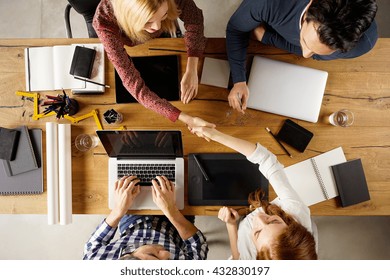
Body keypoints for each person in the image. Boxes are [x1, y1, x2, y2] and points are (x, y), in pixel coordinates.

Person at [226, 0, 378, 114]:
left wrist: (268, 38)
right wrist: (239, 79)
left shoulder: (362, 43)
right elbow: (235, 29)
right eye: (305, 42)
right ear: (308, 12)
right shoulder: (267, 3)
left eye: (314, 51)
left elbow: (318, 57)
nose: (305, 54)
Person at [189, 126, 317, 260]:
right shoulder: (296, 212)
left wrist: (231, 225)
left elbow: (237, 259)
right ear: (292, 225)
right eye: (273, 221)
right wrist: (215, 135)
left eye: (257, 232)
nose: (259, 217)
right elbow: (266, 160)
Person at [93, 0, 211, 127]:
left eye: (164, 14)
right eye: (148, 21)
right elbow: (134, 85)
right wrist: (186, 118)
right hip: (127, 39)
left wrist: (192, 68)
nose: (157, 27)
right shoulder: (105, 23)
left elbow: (195, 21)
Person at [83, 175, 208, 259]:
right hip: (176, 225)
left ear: (129, 255)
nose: (166, 254)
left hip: (132, 219)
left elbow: (94, 244)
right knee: (192, 177)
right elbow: (198, 245)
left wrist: (118, 210)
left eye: (153, 255)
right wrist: (171, 211)